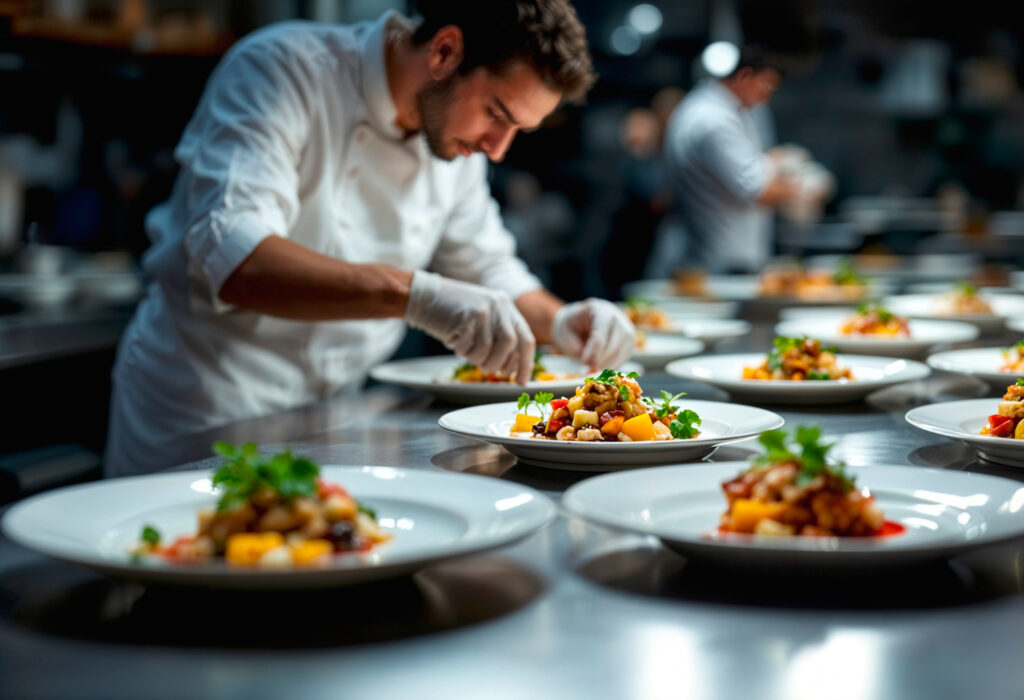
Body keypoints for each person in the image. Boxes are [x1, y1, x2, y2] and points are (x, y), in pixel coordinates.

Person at [105, 0, 635, 477]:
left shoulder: (455, 141)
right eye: (497, 114)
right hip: (204, 410)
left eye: (519, 129)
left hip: (335, 415)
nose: (499, 149)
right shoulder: (284, 70)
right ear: (445, 51)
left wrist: (564, 322)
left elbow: (489, 269)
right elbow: (237, 259)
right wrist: (413, 295)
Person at [663, 47, 803, 274]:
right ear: (744, 75)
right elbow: (759, 189)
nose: (766, 97)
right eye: (766, 86)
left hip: (717, 258)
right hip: (722, 264)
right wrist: (803, 188)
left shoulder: (709, 108)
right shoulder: (713, 120)